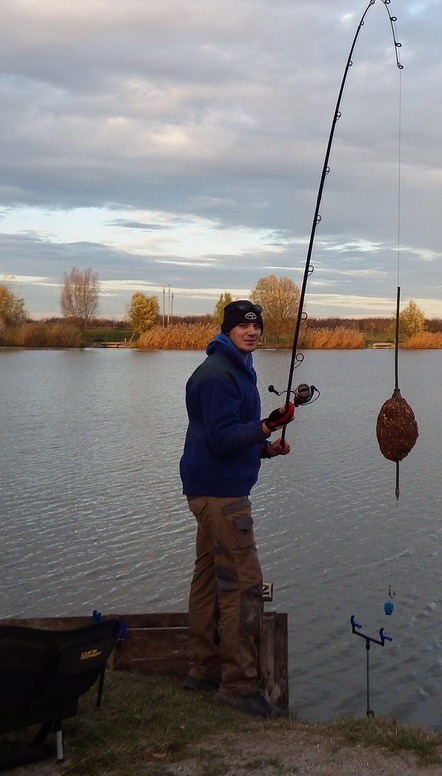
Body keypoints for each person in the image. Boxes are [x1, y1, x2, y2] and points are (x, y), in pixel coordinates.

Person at [179, 299, 295, 718]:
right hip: (222, 496)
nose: (252, 332)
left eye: (256, 327)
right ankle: (239, 685)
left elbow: (229, 439)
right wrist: (266, 423)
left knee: (209, 578)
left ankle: (203, 670)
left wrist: (265, 448)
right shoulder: (217, 375)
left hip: (213, 488)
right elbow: (223, 439)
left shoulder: (237, 368)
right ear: (226, 330)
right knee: (244, 585)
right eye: (243, 327)